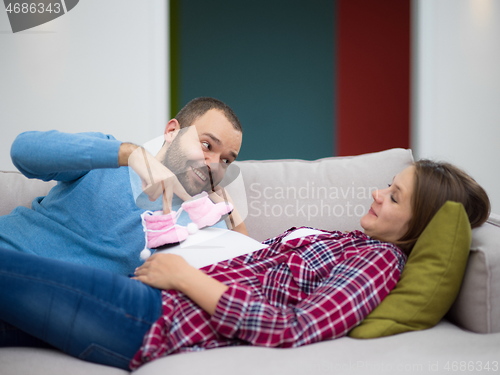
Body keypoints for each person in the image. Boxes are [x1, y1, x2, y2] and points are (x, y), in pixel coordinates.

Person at [0, 159, 490, 370]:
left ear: (418, 222)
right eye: (387, 183)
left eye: (394, 196)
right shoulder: (345, 240)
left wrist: (186, 278)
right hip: (143, 296)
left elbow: (297, 327)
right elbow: (260, 269)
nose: (376, 193)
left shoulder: (379, 263)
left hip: (155, 319)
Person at [0, 97, 245, 276]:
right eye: (206, 145)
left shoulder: (201, 222)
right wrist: (129, 153)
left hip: (51, 310)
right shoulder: (109, 156)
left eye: (226, 160)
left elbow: (248, 274)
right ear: (172, 131)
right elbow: (22, 151)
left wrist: (232, 214)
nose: (214, 165)